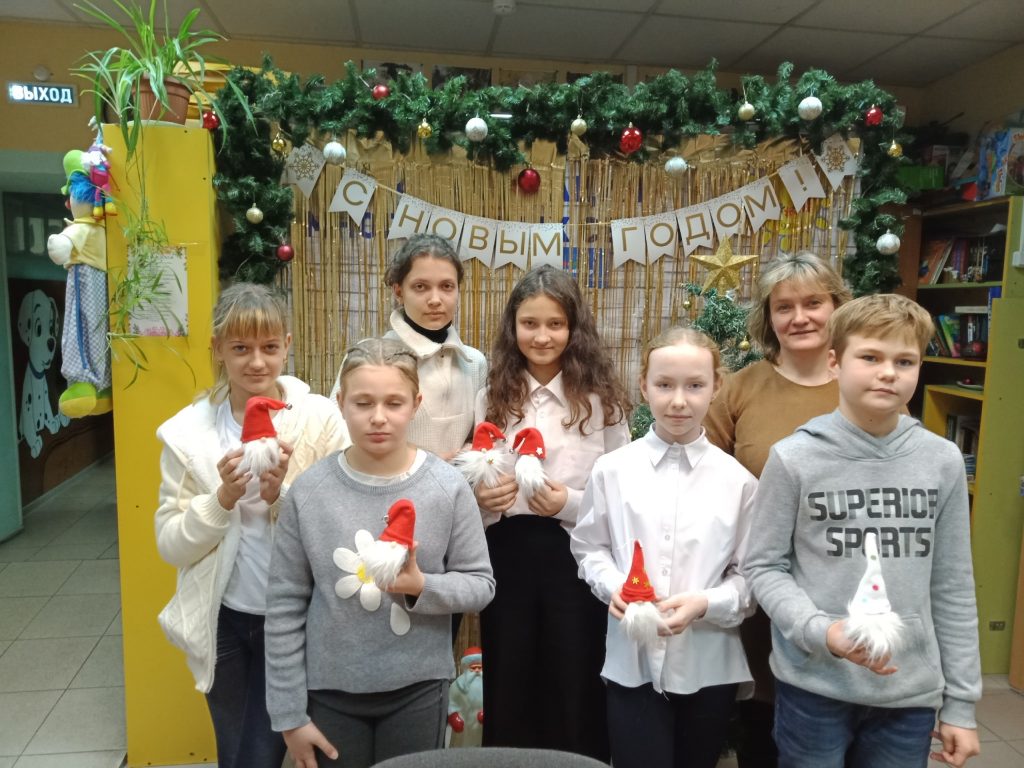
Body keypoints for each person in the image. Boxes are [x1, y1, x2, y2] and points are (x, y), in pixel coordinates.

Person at [744, 294, 981, 768]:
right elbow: (763, 566)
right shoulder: (794, 458)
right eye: (870, 357)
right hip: (814, 687)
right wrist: (820, 630)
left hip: (907, 694)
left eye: (904, 361)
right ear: (835, 363)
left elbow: (953, 585)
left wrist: (961, 704)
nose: (888, 373)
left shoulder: (942, 461)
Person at [264, 337, 495, 768]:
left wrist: (421, 585)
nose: (378, 417)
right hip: (329, 691)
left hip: (419, 689)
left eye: (394, 403)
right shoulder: (309, 493)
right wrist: (289, 716)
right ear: (340, 402)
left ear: (416, 404)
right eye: (363, 403)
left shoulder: (447, 488)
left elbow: (480, 585)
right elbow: (283, 606)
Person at [154, 282, 349, 768]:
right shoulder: (187, 435)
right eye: (240, 348)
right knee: (237, 754)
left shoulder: (318, 418)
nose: (257, 362)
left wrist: (282, 495)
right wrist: (221, 500)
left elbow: (344, 524)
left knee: (277, 752)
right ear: (217, 348)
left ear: (287, 344)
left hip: (297, 617)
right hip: (223, 618)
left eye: (269, 347)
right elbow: (171, 545)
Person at [571, 326, 758, 768]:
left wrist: (705, 603)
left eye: (694, 386)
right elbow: (589, 548)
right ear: (644, 386)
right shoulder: (612, 471)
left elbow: (750, 576)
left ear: (716, 387)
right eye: (664, 385)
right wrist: (614, 586)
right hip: (631, 661)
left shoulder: (739, 483)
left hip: (708, 662)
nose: (678, 401)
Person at [474, 264, 631, 761]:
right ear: (513, 327)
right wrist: (483, 498)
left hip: (575, 559)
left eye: (555, 324)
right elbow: (476, 469)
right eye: (530, 323)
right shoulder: (491, 396)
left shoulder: (602, 403)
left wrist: (570, 503)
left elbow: (623, 493)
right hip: (507, 557)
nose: (542, 336)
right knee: (510, 674)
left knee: (575, 675)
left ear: (574, 328)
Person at [703, 250, 851, 768]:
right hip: (763, 585)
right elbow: (703, 479)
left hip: (847, 585)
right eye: (784, 307)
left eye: (813, 303)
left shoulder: (864, 384)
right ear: (768, 318)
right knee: (766, 730)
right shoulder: (740, 389)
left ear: (837, 307)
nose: (799, 317)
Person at [331, 233, 487, 460]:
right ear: (399, 292)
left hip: (458, 483)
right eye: (420, 287)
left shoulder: (474, 363)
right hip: (385, 481)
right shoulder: (368, 358)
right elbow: (336, 438)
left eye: (446, 286)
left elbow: (480, 439)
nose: (435, 299)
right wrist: (420, 468)